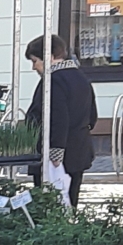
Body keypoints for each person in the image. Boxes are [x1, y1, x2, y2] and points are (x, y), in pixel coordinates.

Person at [25, 34, 99, 206]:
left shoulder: (54, 81)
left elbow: (58, 118)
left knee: (50, 206)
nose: (34, 67)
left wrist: (56, 152)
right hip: (78, 151)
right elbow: (92, 116)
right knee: (70, 203)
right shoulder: (81, 78)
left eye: (35, 61)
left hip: (56, 157)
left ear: (49, 57)